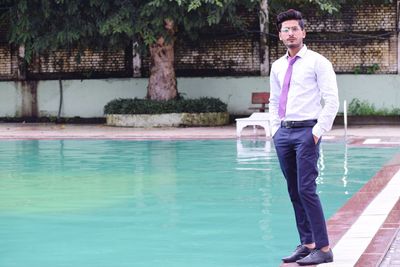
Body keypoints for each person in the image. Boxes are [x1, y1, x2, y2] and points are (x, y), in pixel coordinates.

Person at [269, 9, 339, 266]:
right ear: (280, 35)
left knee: (306, 189)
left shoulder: (318, 62)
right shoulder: (277, 66)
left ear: (303, 32)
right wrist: (275, 129)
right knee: (293, 190)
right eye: (285, 30)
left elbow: (331, 99)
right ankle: (307, 243)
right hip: (284, 133)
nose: (290, 33)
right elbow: (274, 100)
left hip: (307, 132)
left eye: (294, 29)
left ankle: (324, 247)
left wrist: (318, 132)